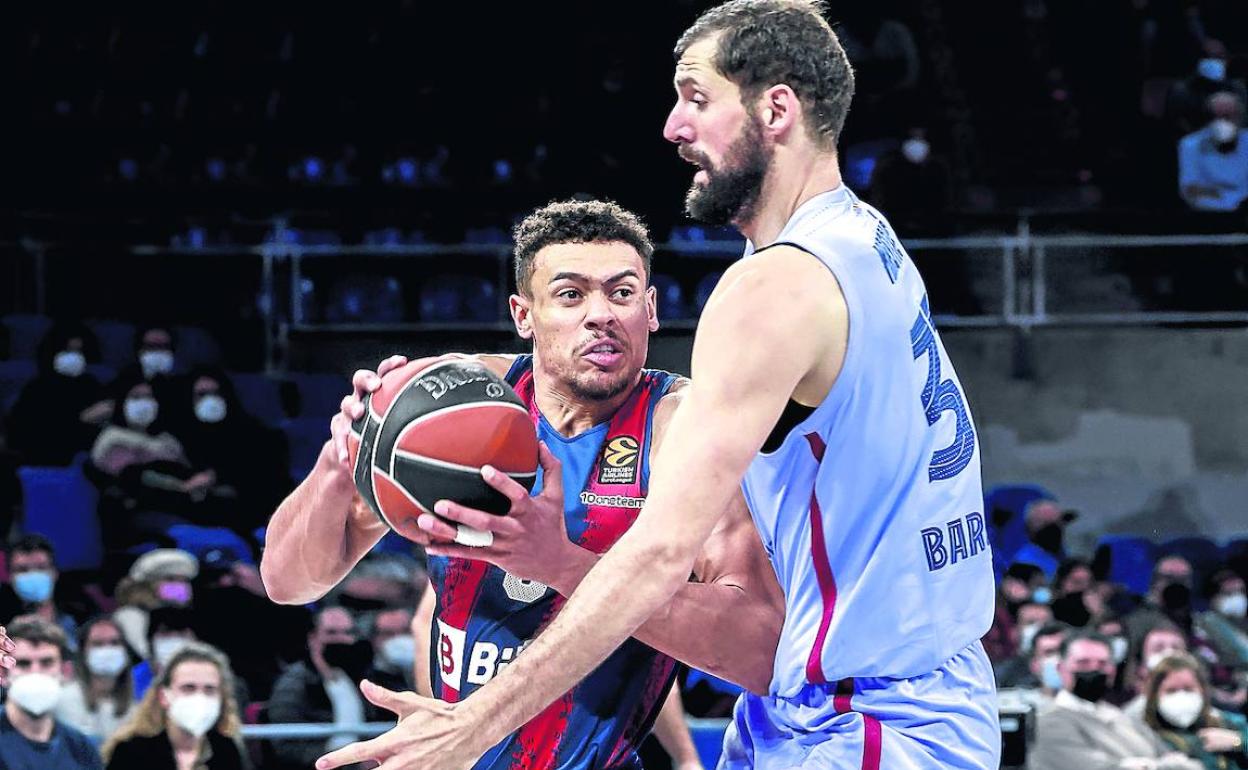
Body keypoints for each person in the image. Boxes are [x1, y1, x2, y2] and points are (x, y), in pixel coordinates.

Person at [316, 2, 999, 769]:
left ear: (777, 109)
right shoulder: (867, 238)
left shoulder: (774, 287)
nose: (674, 127)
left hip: (868, 716)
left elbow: (659, 553)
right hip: (867, 698)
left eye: (696, 98)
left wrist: (470, 725)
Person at [263, 199, 785, 770]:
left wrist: (558, 561)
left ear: (652, 310)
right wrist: (340, 461)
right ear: (523, 314)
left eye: (623, 292)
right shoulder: (463, 406)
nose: (601, 314)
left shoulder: (682, 428)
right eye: (570, 294)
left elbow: (757, 650)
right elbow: (290, 582)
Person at [1030, 631, 1201, 770]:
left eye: (1102, 664)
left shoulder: (1121, 716)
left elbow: (1181, 762)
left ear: (1112, 671)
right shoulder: (1048, 722)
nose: (1094, 670)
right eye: (1083, 663)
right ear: (1061, 669)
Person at [103, 641, 248, 770]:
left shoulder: (227, 751)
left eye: (209, 690)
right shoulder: (131, 752)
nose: (199, 697)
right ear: (163, 696)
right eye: (188, 688)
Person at [267, 606, 375, 770]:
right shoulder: (293, 684)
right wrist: (338, 760)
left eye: (348, 633)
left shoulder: (363, 678)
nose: (341, 639)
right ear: (313, 639)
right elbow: (285, 746)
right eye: (331, 633)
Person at [0, 617, 102, 770]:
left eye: (46, 663)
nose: (35, 673)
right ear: (4, 672)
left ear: (65, 671)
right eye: (23, 663)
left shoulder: (83, 749)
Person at [5, 320, 107, 466]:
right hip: (46, 461)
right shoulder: (37, 389)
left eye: (79, 352)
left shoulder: (91, 385)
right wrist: (80, 419)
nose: (74, 357)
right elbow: (28, 434)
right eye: (67, 351)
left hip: (87, 463)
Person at [1140, 652, 1248, 769]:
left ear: (1202, 690)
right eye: (1171, 690)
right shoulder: (1145, 735)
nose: (1181, 697)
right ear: (1154, 696)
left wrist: (1239, 742)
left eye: (1188, 689)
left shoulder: (1227, 722)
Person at [56, 616, 139, 743]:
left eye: (115, 643)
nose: (107, 650)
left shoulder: (135, 709)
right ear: (83, 653)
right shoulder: (63, 700)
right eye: (98, 644)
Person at [0, 535, 79, 645]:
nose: (33, 575)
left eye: (41, 568)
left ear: (55, 573)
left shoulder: (79, 619)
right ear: (10, 577)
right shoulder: (2, 631)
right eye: (23, 570)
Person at [1178, 92, 1248, 212]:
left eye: (1227, 116)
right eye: (1216, 116)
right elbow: (1190, 189)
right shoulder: (1190, 144)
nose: (1221, 122)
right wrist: (1235, 193)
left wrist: (1216, 191)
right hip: (1205, 215)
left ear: (1239, 117)